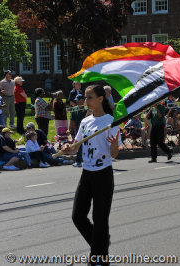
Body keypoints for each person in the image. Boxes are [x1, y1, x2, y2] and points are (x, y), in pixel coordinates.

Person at [62, 84, 120, 266]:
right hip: (86, 174)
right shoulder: (85, 122)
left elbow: (114, 154)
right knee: (77, 216)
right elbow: (76, 148)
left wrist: (113, 145)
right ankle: (101, 244)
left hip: (103, 174)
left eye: (89, 97)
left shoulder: (110, 121)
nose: (85, 101)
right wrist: (67, 149)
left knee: (100, 219)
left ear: (100, 99)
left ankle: (98, 258)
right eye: (85, 97)